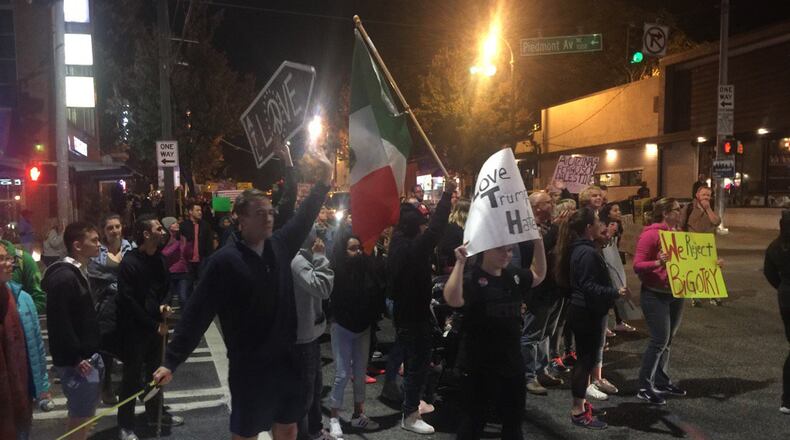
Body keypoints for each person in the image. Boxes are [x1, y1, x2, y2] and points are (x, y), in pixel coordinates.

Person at [154, 153, 333, 440]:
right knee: (246, 433)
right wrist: (171, 360)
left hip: (288, 361)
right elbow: (197, 313)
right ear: (240, 219)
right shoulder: (224, 262)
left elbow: (304, 216)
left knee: (288, 428)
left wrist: (323, 181)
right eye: (260, 213)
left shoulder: (279, 246)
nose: (269, 217)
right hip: (250, 369)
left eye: (270, 212)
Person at [443, 236, 546, 438]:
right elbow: (452, 299)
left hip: (511, 364)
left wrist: (538, 242)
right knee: (473, 423)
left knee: (513, 424)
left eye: (509, 250)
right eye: (500, 250)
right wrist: (460, 263)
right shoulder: (473, 277)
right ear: (485, 250)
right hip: (478, 365)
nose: (506, 255)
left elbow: (538, 275)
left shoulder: (512, 275)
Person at [387, 179, 456, 434]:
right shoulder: (411, 248)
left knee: (415, 361)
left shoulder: (399, 243)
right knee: (417, 364)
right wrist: (447, 195)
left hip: (409, 312)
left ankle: (413, 404)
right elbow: (435, 231)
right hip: (413, 315)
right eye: (421, 222)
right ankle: (410, 413)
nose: (425, 225)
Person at [555, 208, 629, 429]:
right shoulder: (586, 253)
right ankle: (578, 411)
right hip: (586, 312)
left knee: (585, 360)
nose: (601, 225)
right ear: (588, 228)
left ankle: (581, 405)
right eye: (597, 222)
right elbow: (587, 285)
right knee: (584, 362)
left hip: (584, 310)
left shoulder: (582, 249)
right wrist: (615, 293)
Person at [117, 215, 182, 440]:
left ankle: (154, 414)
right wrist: (152, 325)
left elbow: (167, 286)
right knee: (131, 378)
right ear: (146, 234)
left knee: (156, 374)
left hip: (157, 326)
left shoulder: (161, 259)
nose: (163, 232)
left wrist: (165, 305)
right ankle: (125, 424)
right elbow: (127, 300)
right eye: (158, 229)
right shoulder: (130, 262)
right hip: (136, 330)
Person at [43, 222, 103, 440]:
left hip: (86, 358)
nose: (99, 244)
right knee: (79, 418)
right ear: (77, 245)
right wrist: (76, 357)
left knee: (86, 415)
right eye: (94, 240)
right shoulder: (64, 278)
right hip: (78, 363)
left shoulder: (78, 272)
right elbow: (59, 324)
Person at [327, 234, 383, 437]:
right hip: (342, 326)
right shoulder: (336, 270)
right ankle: (334, 417)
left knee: (359, 374)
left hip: (363, 328)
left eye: (359, 247)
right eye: (352, 248)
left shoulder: (367, 268)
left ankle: (358, 415)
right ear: (343, 251)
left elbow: (377, 289)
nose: (358, 252)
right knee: (342, 374)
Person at [633, 198, 688, 405]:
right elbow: (638, 265)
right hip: (655, 294)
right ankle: (644, 386)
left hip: (676, 293)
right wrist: (658, 262)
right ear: (665, 213)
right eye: (676, 208)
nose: (680, 211)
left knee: (668, 341)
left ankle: (661, 380)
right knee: (659, 340)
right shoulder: (651, 235)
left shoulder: (679, 234)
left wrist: (711, 265)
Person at [521, 191, 565, 396]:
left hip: (553, 287)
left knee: (547, 332)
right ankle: (528, 376)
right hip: (537, 289)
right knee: (532, 334)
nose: (553, 203)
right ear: (537, 207)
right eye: (548, 202)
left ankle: (542, 369)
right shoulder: (527, 227)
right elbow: (535, 252)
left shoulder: (551, 226)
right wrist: (557, 228)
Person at [292, 233, 334, 440]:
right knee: (305, 394)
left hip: (310, 334)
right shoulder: (298, 261)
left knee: (314, 388)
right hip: (303, 339)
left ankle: (315, 430)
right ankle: (305, 435)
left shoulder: (302, 258)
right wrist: (321, 257)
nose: (319, 237)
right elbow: (323, 288)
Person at [91, 214, 135, 404]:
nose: (114, 231)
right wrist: (122, 276)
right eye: (110, 228)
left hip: (129, 307)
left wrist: (112, 275)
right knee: (106, 351)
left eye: (117, 226)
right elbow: (94, 272)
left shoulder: (130, 247)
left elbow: (136, 272)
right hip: (105, 308)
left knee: (131, 349)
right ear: (104, 231)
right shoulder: (97, 251)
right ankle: (106, 387)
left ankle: (130, 387)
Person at [0, 244, 33, 439]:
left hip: (15, 391)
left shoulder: (11, 295)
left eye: (8, 258)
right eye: (2, 259)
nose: (9, 263)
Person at [764, 210, 790, 415]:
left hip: (786, 297)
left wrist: (782, 286)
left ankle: (787, 399)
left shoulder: (775, 247)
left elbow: (769, 273)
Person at [682, 186, 723, 307]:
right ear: (697, 195)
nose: (706, 197)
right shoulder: (689, 208)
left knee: (711, 270)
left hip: (708, 246)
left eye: (708, 195)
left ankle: (713, 295)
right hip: (693, 245)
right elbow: (681, 225)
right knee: (695, 271)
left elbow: (716, 222)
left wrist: (708, 209)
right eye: (704, 195)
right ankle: (695, 296)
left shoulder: (710, 209)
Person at [599, 203, 636, 333]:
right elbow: (602, 243)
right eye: (615, 210)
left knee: (619, 288)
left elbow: (622, 245)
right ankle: (604, 326)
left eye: (619, 209)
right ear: (608, 213)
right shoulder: (602, 225)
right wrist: (609, 232)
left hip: (616, 260)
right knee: (610, 291)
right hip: (606, 260)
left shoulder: (619, 226)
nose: (618, 212)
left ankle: (619, 321)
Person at [180, 200, 215, 290]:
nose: (200, 212)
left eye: (200, 210)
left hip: (202, 259)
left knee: (202, 284)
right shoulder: (184, 226)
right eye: (197, 210)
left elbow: (209, 243)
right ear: (190, 212)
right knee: (188, 285)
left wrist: (209, 258)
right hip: (188, 260)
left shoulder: (205, 225)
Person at [161, 216, 191, 308]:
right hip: (170, 271)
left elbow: (186, 252)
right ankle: (164, 320)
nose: (177, 224)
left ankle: (186, 320)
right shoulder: (164, 239)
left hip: (183, 271)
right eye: (174, 223)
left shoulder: (182, 237)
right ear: (168, 226)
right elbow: (164, 254)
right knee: (167, 299)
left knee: (183, 298)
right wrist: (176, 245)